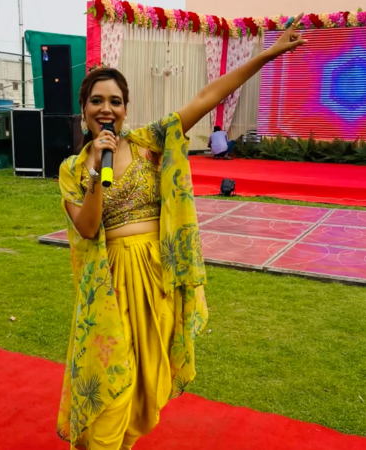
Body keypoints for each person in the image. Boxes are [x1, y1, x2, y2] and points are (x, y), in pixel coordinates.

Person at [57, 16, 305, 450]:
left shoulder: (150, 143)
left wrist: (266, 55)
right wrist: (96, 168)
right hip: (109, 286)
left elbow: (207, 97)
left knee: (146, 387)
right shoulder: (73, 170)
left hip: (156, 280)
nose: (106, 109)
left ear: (126, 109)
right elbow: (89, 228)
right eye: (96, 101)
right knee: (112, 387)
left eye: (115, 101)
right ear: (84, 110)